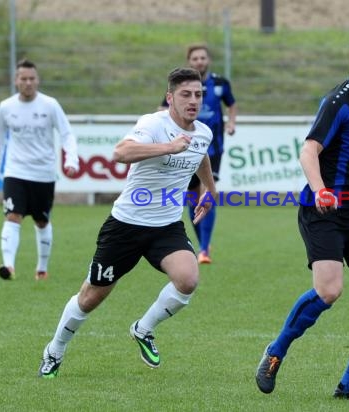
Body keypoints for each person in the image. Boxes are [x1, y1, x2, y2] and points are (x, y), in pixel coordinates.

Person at [37, 67, 217, 378]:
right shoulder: (153, 124)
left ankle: (143, 329)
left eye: (198, 94)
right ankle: (55, 349)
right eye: (186, 94)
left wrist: (210, 191)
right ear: (170, 97)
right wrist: (169, 147)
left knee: (188, 279)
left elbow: (200, 156)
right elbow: (121, 152)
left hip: (167, 226)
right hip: (126, 225)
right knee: (91, 297)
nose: (193, 101)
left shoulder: (203, 131)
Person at [255, 24, 349, 400]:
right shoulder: (340, 100)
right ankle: (276, 351)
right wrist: (321, 192)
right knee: (329, 291)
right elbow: (309, 150)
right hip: (325, 211)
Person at [0, 59, 79, 281]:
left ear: (37, 80)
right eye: (23, 79)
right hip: (15, 172)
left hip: (43, 173)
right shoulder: (6, 107)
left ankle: (42, 268)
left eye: (31, 78)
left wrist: (71, 160)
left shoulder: (50, 105)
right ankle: (8, 266)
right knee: (12, 216)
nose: (27, 82)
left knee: (41, 221)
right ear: (16, 81)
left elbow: (67, 134)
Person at [159, 44, 237, 264]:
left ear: (208, 60)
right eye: (195, 58)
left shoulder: (221, 83)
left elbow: (232, 105)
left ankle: (204, 249)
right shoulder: (179, 85)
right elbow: (162, 109)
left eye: (203, 58)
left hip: (212, 148)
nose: (199, 62)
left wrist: (231, 123)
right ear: (189, 61)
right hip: (184, 148)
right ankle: (201, 242)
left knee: (207, 192)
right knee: (193, 198)